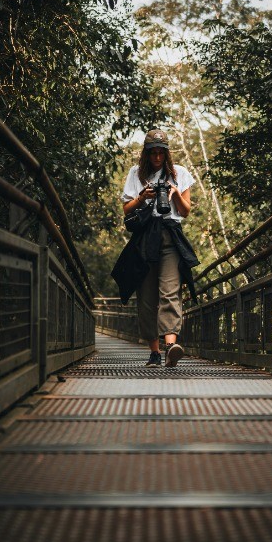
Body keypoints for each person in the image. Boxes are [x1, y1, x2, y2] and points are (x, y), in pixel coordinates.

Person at [111, 129, 199, 367]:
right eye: (153, 153)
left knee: (170, 291)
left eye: (161, 153)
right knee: (147, 297)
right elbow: (127, 209)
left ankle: (171, 346)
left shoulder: (179, 173)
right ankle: (154, 352)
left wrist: (175, 193)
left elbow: (185, 211)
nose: (157, 158)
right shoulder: (136, 173)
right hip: (145, 238)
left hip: (170, 236)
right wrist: (142, 197)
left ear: (167, 153)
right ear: (146, 154)